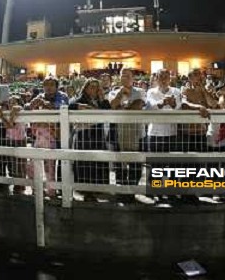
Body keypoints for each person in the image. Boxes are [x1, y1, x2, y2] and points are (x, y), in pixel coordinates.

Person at [69, 78, 111, 199]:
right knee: (85, 161)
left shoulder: (100, 100)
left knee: (98, 159)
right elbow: (71, 106)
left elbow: (107, 110)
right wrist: (80, 106)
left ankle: (99, 187)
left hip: (98, 133)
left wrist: (102, 98)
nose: (94, 89)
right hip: (84, 134)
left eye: (96, 87)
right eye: (91, 86)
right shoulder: (80, 99)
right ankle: (86, 190)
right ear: (86, 88)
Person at [108, 68, 146, 202]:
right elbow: (113, 105)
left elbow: (139, 105)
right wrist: (119, 95)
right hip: (118, 132)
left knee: (135, 163)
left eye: (128, 76)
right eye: (122, 76)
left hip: (136, 132)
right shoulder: (113, 92)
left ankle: (132, 191)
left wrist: (123, 109)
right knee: (119, 163)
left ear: (133, 78)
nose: (125, 78)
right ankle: (122, 190)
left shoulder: (140, 91)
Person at [145, 68, 182, 153]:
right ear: (157, 79)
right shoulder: (151, 92)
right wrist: (164, 102)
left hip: (172, 132)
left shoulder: (176, 91)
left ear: (170, 79)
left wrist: (172, 104)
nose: (163, 79)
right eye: (161, 77)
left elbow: (178, 107)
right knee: (154, 163)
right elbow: (152, 105)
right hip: (154, 132)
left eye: (166, 77)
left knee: (171, 163)